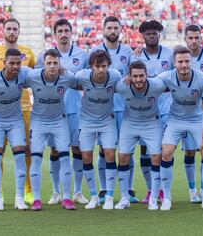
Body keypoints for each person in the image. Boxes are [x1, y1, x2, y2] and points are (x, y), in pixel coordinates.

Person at [0, 18, 36, 205]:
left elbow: (35, 77)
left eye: (15, 29)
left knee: (26, 151)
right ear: (3, 31)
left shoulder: (28, 53)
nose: (11, 32)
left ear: (19, 31)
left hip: (22, 108)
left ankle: (27, 191)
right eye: (8, 28)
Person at [36, 19, 89, 205]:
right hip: (53, 112)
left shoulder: (82, 55)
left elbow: (87, 82)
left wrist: (68, 75)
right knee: (55, 150)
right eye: (60, 31)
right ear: (54, 34)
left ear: (71, 32)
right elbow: (38, 81)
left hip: (75, 110)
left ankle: (77, 192)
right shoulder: (44, 56)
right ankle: (56, 192)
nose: (64, 34)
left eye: (67, 30)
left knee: (78, 149)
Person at [158, 46, 203, 211]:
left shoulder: (202, 79)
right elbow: (147, 84)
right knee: (167, 152)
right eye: (180, 61)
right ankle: (167, 198)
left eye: (186, 61)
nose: (184, 65)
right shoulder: (166, 77)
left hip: (196, 119)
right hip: (175, 119)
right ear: (174, 63)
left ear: (191, 61)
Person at [89, 16, 138, 203]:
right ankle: (103, 189)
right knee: (104, 150)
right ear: (103, 30)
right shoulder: (94, 51)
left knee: (127, 150)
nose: (112, 30)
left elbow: (134, 73)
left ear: (120, 30)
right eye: (109, 27)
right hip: (103, 109)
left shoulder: (128, 51)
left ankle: (129, 188)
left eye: (115, 27)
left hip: (125, 107)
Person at [24, 49, 77, 211]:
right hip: (38, 122)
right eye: (49, 63)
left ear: (60, 64)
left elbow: (83, 84)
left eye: (55, 63)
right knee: (37, 158)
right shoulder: (32, 76)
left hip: (59, 121)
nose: (52, 66)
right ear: (43, 64)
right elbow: (16, 79)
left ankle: (67, 198)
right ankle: (37, 200)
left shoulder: (67, 77)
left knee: (64, 158)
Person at [131, 20, 174, 203]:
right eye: (147, 33)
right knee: (145, 151)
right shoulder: (136, 57)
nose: (151, 35)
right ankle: (150, 190)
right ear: (143, 36)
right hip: (145, 111)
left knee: (164, 151)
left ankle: (164, 190)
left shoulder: (170, 54)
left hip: (165, 109)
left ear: (159, 34)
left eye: (154, 32)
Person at [114, 61, 166, 210]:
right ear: (129, 76)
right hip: (129, 122)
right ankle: (124, 198)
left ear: (147, 75)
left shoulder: (157, 85)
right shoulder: (121, 85)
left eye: (141, 76)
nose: (138, 79)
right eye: (135, 76)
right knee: (123, 156)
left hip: (152, 123)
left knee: (156, 157)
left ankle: (153, 199)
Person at [75, 50, 121, 210]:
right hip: (87, 121)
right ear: (91, 67)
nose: (101, 70)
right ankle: (94, 196)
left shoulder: (115, 76)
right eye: (97, 66)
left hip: (107, 120)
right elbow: (69, 82)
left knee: (109, 154)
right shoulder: (81, 76)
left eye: (104, 66)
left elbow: (125, 84)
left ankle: (109, 197)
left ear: (108, 66)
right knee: (86, 156)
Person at [181, 24, 203, 203]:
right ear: (185, 39)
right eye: (190, 38)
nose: (193, 41)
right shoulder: (179, 57)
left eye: (197, 38)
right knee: (189, 152)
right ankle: (192, 190)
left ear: (201, 38)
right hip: (185, 111)